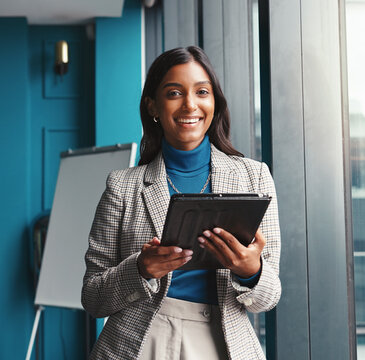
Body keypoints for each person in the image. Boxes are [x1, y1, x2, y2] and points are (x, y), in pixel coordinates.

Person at [81, 46, 281, 360]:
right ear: (153, 107)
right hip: (140, 342)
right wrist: (141, 269)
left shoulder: (253, 177)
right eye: (174, 93)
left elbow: (268, 298)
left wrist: (250, 270)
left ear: (214, 102)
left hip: (222, 343)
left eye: (202, 92)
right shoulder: (122, 186)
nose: (190, 104)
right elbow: (93, 297)